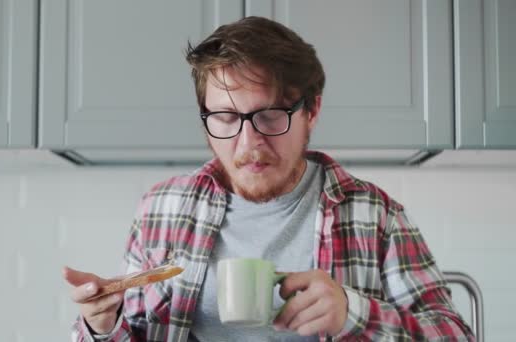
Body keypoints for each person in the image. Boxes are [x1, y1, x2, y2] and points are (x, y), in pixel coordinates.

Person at [64, 16, 474, 341]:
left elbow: (454, 335)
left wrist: (353, 313)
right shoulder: (162, 209)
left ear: (311, 111)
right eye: (225, 117)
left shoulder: (374, 214)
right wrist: (102, 327)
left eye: (270, 115)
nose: (249, 142)